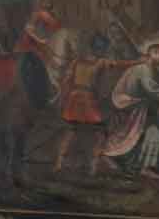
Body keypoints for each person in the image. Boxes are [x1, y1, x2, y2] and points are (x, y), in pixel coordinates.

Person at [53, 34, 135, 176]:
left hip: (73, 99)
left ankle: (58, 164)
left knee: (71, 131)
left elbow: (67, 81)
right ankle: (93, 168)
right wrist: (138, 61)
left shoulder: (77, 61)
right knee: (101, 132)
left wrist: (63, 99)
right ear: (102, 49)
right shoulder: (100, 62)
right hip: (86, 100)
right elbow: (119, 64)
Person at [101, 40, 159, 182]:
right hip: (129, 105)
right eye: (157, 53)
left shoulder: (150, 70)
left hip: (137, 106)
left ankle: (143, 166)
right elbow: (151, 89)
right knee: (137, 133)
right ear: (149, 54)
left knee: (152, 131)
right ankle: (115, 158)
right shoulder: (143, 69)